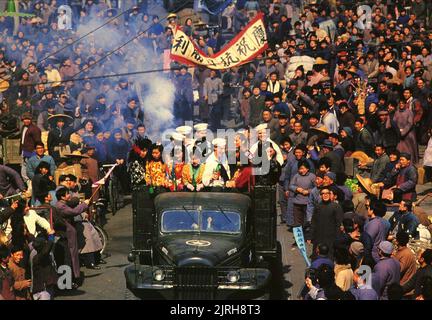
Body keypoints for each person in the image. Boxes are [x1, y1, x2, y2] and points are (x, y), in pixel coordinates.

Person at [311, 187, 344, 258]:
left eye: (327, 193)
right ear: (320, 195)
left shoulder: (336, 207)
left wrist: (337, 238)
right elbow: (313, 222)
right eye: (323, 193)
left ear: (330, 195)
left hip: (331, 237)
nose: (325, 195)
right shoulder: (317, 206)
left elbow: (339, 223)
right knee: (317, 254)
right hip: (319, 236)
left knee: (330, 255)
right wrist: (310, 236)